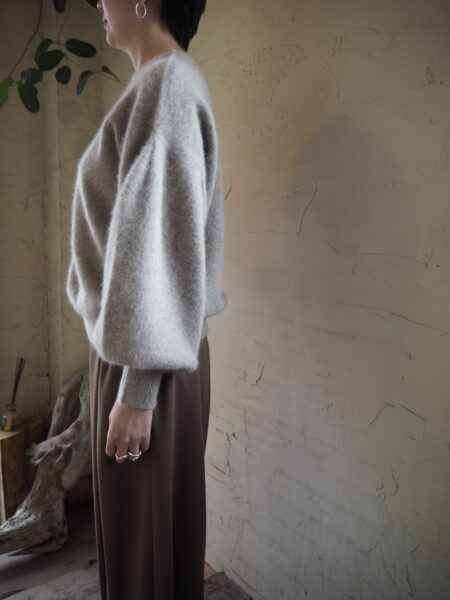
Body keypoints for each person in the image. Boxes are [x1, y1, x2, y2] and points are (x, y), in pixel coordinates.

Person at [65, 1, 228, 598]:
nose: (98, 4)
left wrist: (137, 391)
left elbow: (159, 247)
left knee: (144, 563)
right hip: (146, 354)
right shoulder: (161, 83)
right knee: (147, 551)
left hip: (148, 364)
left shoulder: (167, 86)